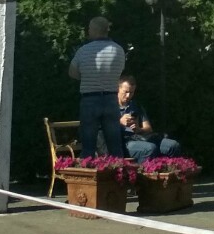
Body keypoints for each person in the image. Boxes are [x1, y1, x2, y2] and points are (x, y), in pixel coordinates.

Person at [68, 15, 126, 159]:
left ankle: (89, 169)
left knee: (88, 145)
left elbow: (72, 73)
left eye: (89, 28)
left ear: (95, 30)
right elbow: (119, 71)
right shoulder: (118, 50)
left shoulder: (83, 50)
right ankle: (118, 170)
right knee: (115, 145)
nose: (88, 31)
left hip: (90, 98)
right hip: (111, 98)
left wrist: (87, 77)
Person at [117, 75, 184, 161]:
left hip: (139, 137)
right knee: (150, 148)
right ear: (118, 89)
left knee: (173, 146)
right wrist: (119, 122)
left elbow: (148, 128)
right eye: (125, 92)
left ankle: (171, 168)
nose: (128, 95)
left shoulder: (136, 106)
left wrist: (138, 129)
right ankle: (146, 170)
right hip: (124, 141)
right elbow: (103, 128)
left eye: (131, 92)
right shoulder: (111, 107)